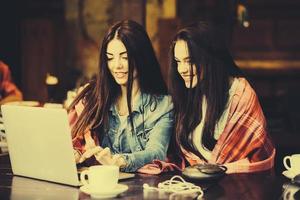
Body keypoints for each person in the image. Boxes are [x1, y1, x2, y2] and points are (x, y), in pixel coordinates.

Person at [168, 22, 275, 173]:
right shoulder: (189, 92)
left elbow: (257, 158)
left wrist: (213, 172)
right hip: (195, 184)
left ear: (209, 59)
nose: (182, 70)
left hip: (241, 186)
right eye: (178, 62)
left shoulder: (241, 95)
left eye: (190, 61)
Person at [68, 20, 173, 172]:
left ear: (141, 57)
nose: (117, 65)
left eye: (124, 57)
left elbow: (157, 152)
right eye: (110, 58)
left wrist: (121, 161)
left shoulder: (163, 106)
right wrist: (75, 153)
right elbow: (73, 139)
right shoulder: (92, 97)